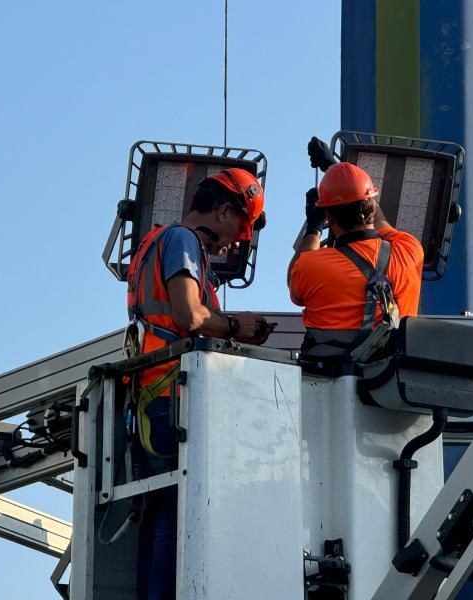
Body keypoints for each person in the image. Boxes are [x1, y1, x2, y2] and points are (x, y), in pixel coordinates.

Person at [125, 167, 270, 599]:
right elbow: (189, 316)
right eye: (241, 227)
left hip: (154, 394)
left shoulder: (158, 242)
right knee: (177, 512)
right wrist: (234, 326)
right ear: (223, 210)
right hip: (170, 395)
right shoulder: (182, 241)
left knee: (161, 510)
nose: (239, 240)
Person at [287, 157, 423, 359]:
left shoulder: (312, 266)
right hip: (389, 383)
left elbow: (293, 282)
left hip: (332, 384)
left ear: (329, 217)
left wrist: (314, 228)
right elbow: (381, 222)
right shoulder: (410, 250)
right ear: (371, 205)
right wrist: (336, 170)